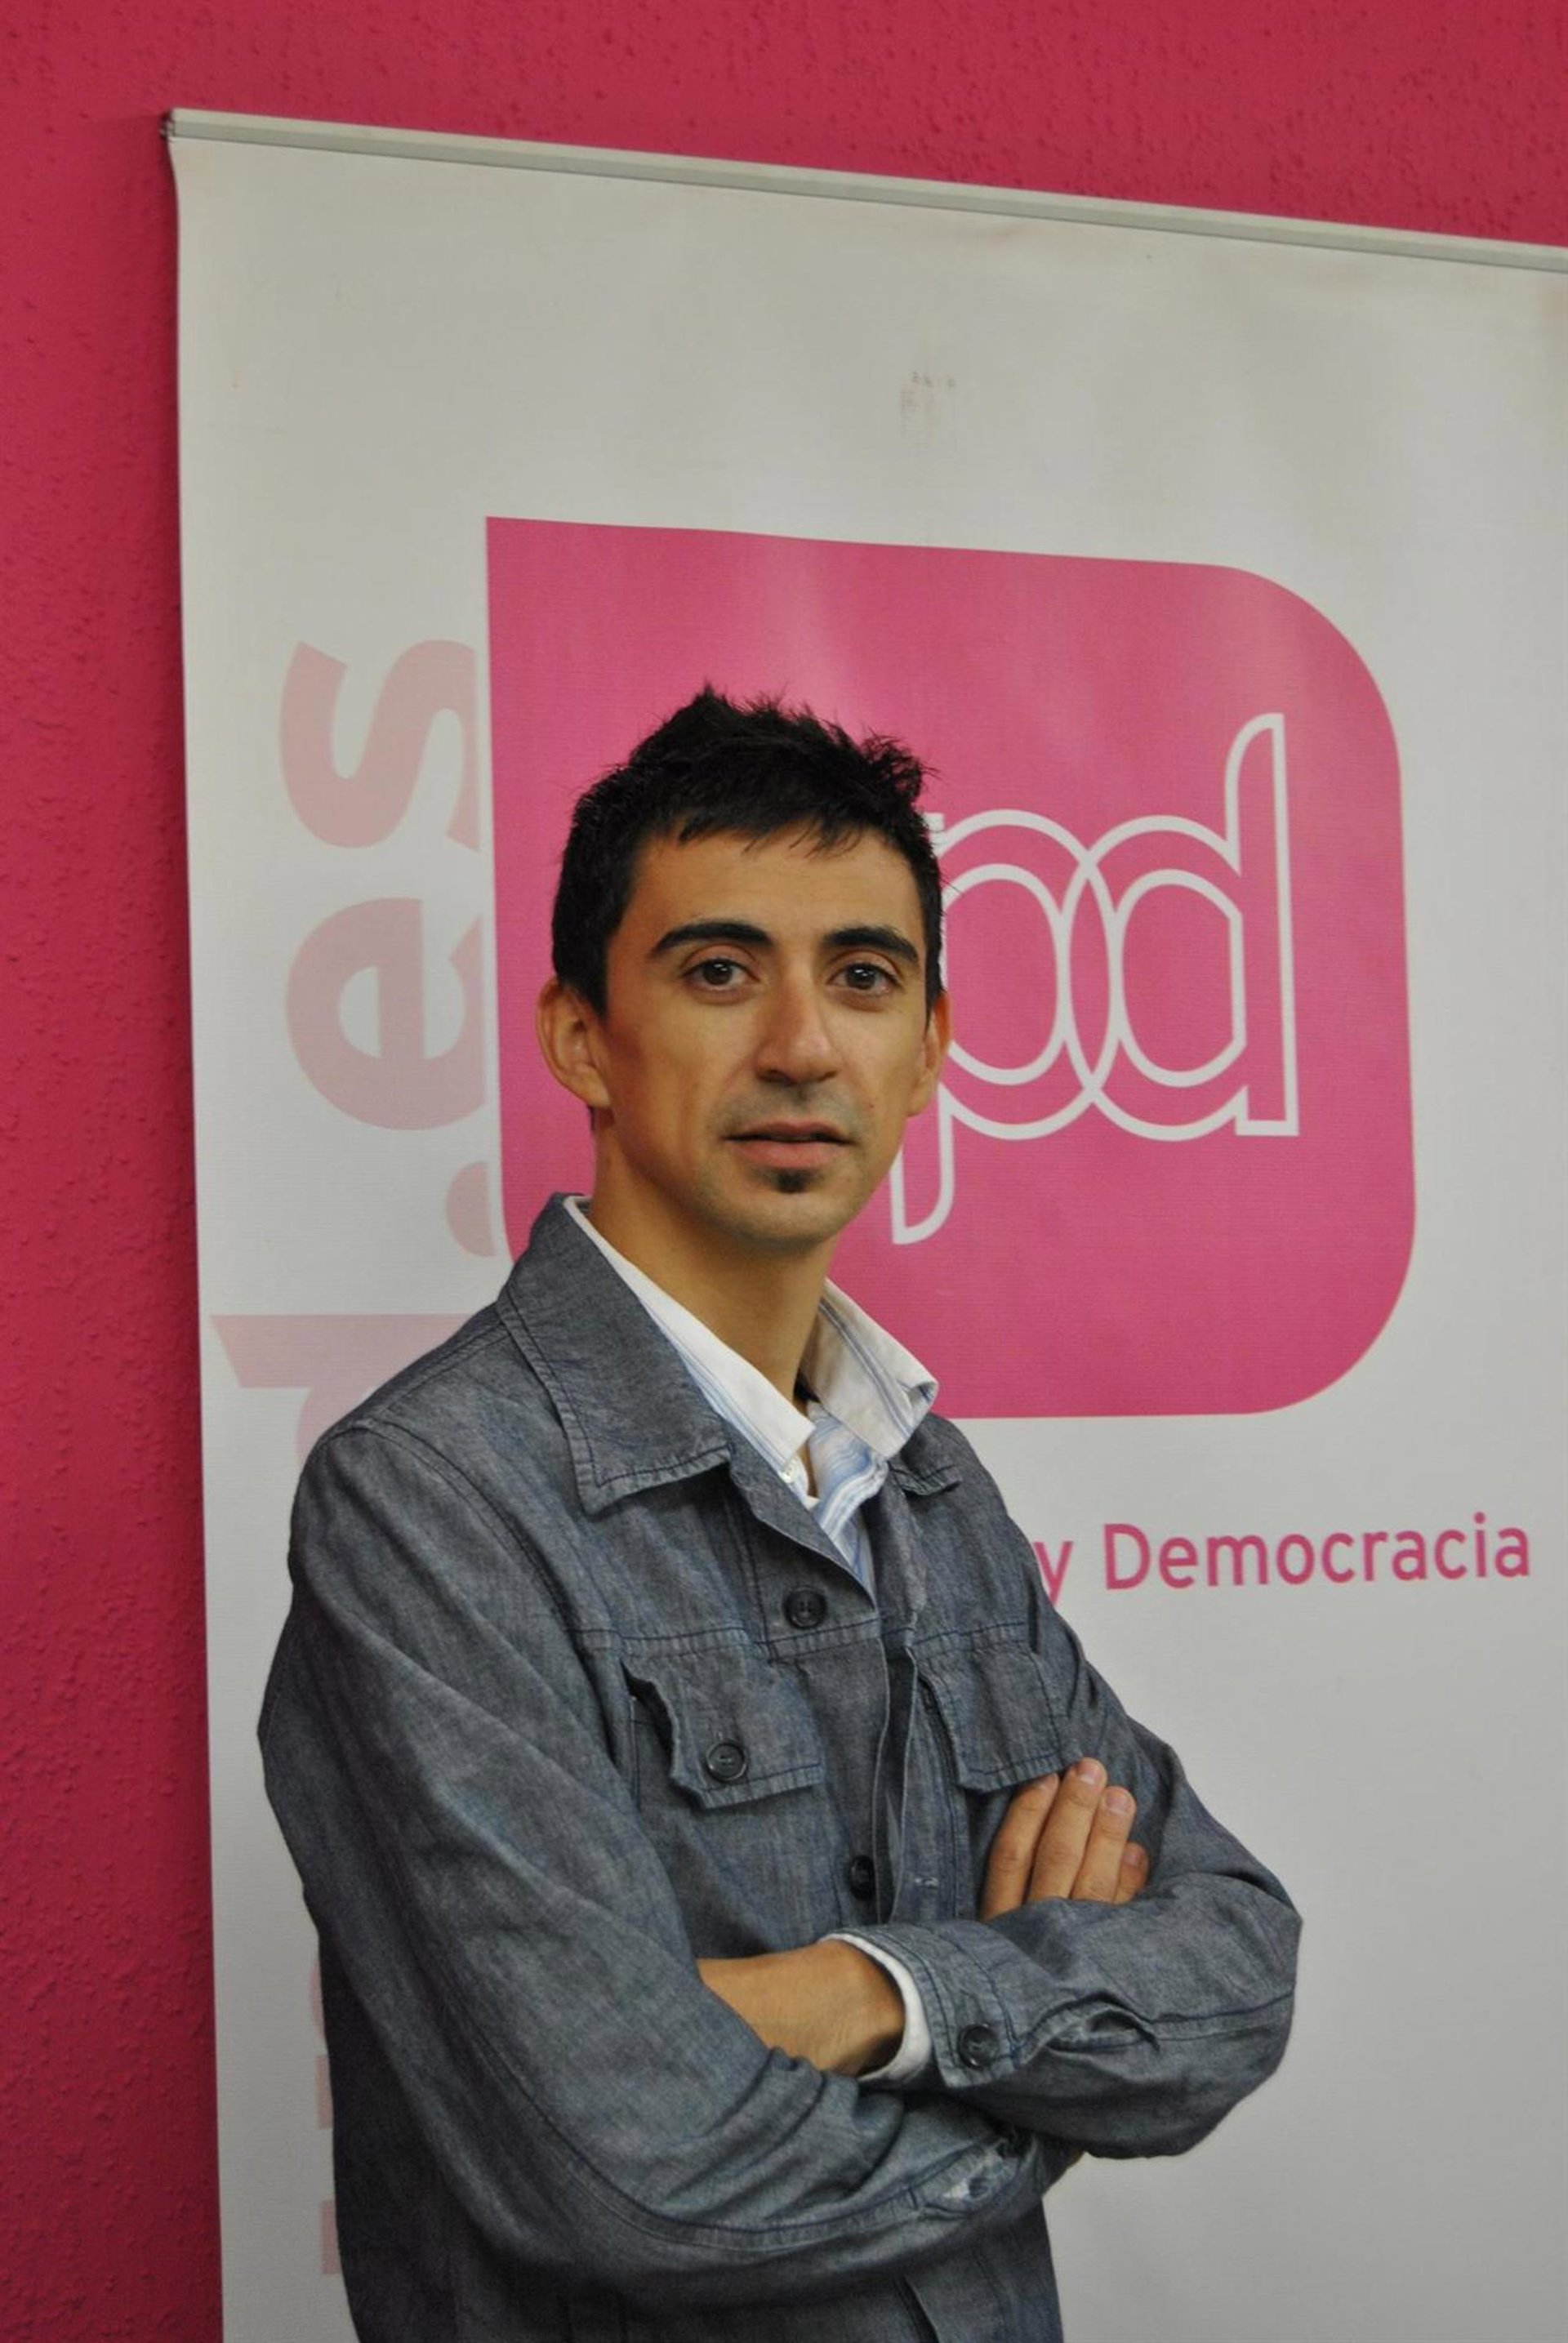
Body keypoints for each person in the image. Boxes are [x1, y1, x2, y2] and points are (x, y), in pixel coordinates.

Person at [261, 687, 1299, 2343]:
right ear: (580, 1036)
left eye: (865, 977)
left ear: (931, 1048)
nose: (804, 1046)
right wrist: (1037, 2077)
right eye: (720, 971)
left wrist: (866, 1995)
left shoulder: (931, 1485)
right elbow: (627, 2165)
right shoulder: (430, 1499)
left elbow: (1237, 1964)